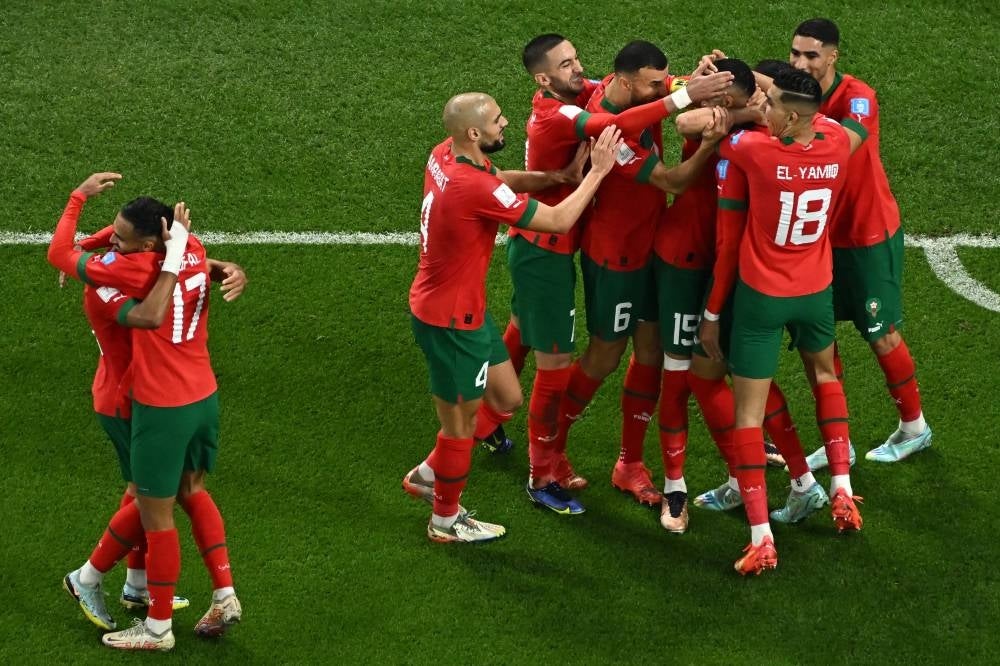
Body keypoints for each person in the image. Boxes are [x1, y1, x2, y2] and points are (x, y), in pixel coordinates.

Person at [509, 33, 735, 514]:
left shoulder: (614, 84)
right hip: (616, 258)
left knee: (650, 353)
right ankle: (552, 448)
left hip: (652, 248)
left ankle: (629, 463)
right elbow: (673, 180)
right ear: (632, 85)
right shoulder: (611, 135)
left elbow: (664, 85)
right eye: (653, 86)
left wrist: (691, 80)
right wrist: (708, 143)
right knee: (605, 356)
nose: (661, 92)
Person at [401, 92, 620, 542]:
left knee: (505, 401)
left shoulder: (446, 154)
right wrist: (597, 171)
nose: (507, 125)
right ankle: (445, 520)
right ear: (474, 132)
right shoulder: (470, 185)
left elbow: (499, 177)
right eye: (499, 121)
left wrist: (555, 175)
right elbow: (559, 220)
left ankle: (426, 474)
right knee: (459, 427)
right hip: (448, 322)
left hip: (465, 311)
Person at [48, 175, 241, 650]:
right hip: (188, 392)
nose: (113, 242)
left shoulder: (125, 273)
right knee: (173, 493)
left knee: (151, 502)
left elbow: (74, 260)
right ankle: (198, 590)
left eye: (122, 239)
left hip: (153, 400)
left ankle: (108, 589)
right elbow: (190, 264)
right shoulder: (188, 244)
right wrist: (219, 267)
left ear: (151, 242)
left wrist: (80, 220)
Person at [698, 69, 864, 575]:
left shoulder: (752, 151)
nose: (762, 108)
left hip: (762, 299)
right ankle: (842, 489)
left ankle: (761, 537)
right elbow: (835, 122)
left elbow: (702, 128)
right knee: (826, 377)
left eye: (769, 103)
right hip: (815, 291)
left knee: (748, 417)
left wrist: (728, 101)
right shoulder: (837, 141)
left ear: (790, 117)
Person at [652, 57, 808, 532]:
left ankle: (757, 475)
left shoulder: (764, 142)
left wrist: (748, 113)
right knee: (680, 373)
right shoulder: (730, 111)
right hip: (685, 261)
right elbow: (684, 117)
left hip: (733, 271)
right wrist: (739, 110)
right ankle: (675, 486)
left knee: (739, 377)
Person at [790, 18, 931, 465]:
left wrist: (783, 111)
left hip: (867, 234)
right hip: (819, 238)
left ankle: (915, 427)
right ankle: (838, 442)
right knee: (818, 340)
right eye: (795, 54)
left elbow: (840, 146)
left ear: (833, 56)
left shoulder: (859, 98)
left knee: (881, 334)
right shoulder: (791, 91)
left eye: (812, 55)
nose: (801, 63)